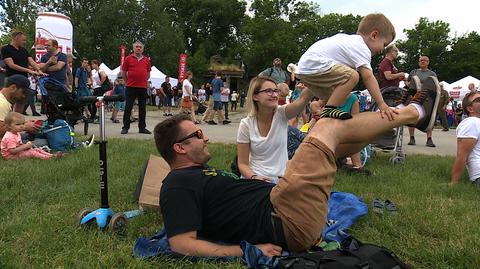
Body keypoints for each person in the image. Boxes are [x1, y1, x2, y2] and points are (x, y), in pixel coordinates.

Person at [153, 80, 439, 256]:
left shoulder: (198, 175)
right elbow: (180, 243)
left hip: (284, 198)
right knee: (327, 125)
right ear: (179, 148)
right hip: (285, 217)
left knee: (338, 144)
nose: (205, 137)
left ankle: (402, 118)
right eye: (197, 135)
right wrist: (246, 250)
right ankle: (414, 113)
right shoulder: (177, 185)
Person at [293, 13, 396, 121]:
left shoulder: (348, 41)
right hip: (315, 64)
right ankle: (329, 110)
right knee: (352, 75)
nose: (382, 50)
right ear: (374, 35)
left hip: (306, 68)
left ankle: (321, 108)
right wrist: (382, 104)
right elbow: (368, 77)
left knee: (338, 92)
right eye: (384, 44)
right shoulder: (362, 47)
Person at [237, 76, 314, 183]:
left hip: (279, 180)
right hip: (254, 179)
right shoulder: (246, 124)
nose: (274, 95)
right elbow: (242, 164)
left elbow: (302, 99)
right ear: (255, 96)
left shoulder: (282, 114)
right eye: (268, 91)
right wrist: (254, 177)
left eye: (275, 91)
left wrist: (314, 78)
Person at [1, 30, 45, 113]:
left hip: (23, 79)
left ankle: (17, 119)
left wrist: (39, 70)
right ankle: (7, 121)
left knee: (21, 101)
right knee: (9, 102)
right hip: (11, 78)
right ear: (16, 38)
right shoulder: (6, 49)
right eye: (23, 40)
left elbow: (32, 62)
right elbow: (11, 65)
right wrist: (28, 70)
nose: (24, 42)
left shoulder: (24, 50)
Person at [120, 41, 152, 135]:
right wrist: (127, 81)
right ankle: (125, 127)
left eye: (140, 47)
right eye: (136, 47)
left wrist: (142, 80)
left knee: (143, 108)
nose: (138, 48)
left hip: (142, 87)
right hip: (131, 87)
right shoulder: (128, 58)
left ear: (143, 49)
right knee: (128, 107)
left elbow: (148, 73)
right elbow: (123, 72)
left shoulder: (146, 60)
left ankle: (142, 128)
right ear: (133, 48)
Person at [407, 55, 438, 147]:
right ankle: (412, 138)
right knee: (411, 117)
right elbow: (408, 82)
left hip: (427, 99)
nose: (422, 62)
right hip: (414, 97)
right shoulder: (414, 72)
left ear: (428, 62)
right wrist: (413, 84)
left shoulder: (432, 74)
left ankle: (429, 139)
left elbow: (435, 86)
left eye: (424, 60)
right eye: (421, 60)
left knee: (429, 118)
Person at [450, 91, 480, 185]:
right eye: (478, 100)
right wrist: (454, 182)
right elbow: (462, 155)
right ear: (470, 108)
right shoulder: (471, 123)